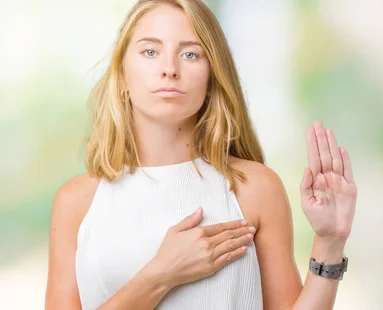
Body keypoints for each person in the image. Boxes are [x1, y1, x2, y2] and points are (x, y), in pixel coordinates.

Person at [44, 0, 357, 309]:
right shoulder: (77, 202)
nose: (169, 69)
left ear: (211, 78)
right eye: (150, 51)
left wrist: (330, 243)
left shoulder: (255, 189)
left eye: (190, 54)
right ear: (123, 75)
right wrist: (161, 274)